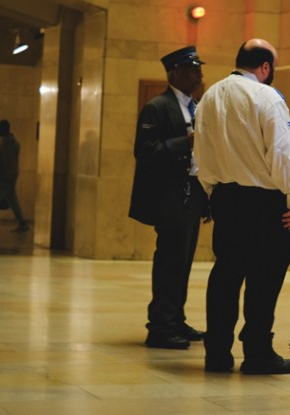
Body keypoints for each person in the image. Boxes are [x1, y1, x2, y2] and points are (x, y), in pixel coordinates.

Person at [194, 38, 290, 375]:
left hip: (225, 198)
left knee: (225, 275)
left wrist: (211, 191)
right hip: (265, 204)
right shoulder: (267, 96)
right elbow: (283, 153)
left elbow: (201, 152)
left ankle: (217, 354)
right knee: (264, 280)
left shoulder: (210, 96)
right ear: (265, 67)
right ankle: (258, 353)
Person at [128, 46, 209, 350]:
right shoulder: (157, 107)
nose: (199, 74)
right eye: (193, 70)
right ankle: (160, 326)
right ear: (175, 74)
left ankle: (176, 319)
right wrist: (183, 143)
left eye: (199, 69)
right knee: (169, 262)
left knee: (183, 262)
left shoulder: (196, 106)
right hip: (169, 197)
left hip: (191, 194)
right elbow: (144, 150)